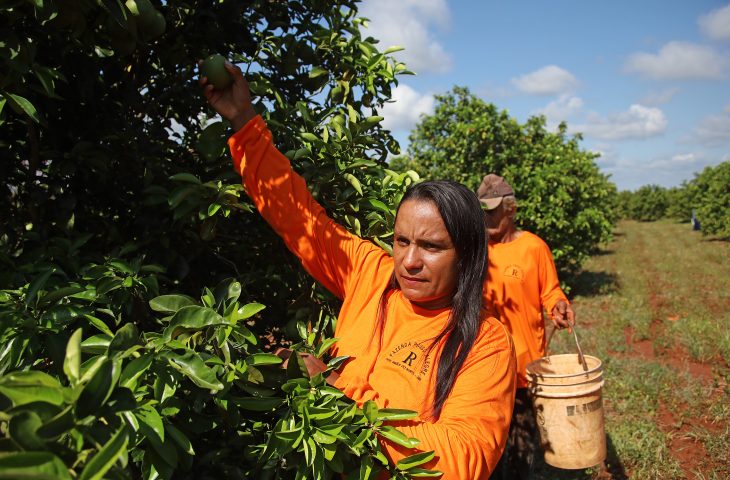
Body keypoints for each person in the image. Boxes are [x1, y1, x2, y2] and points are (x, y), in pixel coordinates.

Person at [200, 61, 517, 478]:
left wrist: (340, 390)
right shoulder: (373, 273)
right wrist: (243, 120)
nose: (409, 260)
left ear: (468, 254)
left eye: (432, 246)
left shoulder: (485, 343)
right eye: (402, 240)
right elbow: (301, 220)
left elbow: (462, 461)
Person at [477, 174, 575, 480]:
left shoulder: (534, 248)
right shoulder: (476, 250)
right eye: (483, 210)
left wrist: (559, 305)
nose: (487, 217)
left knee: (521, 447)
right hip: (481, 368)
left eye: (492, 210)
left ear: (510, 209)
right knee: (485, 447)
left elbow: (550, 291)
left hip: (523, 367)